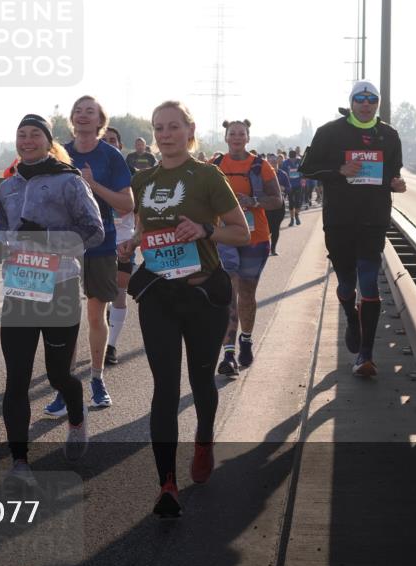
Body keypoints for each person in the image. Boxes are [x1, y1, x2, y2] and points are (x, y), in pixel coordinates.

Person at [119, 100, 249, 517]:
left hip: (202, 296)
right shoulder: (142, 179)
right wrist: (133, 243)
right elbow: (145, 229)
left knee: (200, 380)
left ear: (189, 130)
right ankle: (167, 484)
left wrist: (206, 229)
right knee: (164, 389)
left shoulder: (207, 175)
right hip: (159, 294)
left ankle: (205, 437)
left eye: (173, 127)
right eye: (159, 127)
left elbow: (241, 233)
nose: (164, 134)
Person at [0, 114, 104, 484]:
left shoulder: (69, 181)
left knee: (58, 374)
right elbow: (1, 231)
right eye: (21, 134)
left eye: (34, 134)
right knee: (16, 379)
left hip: (60, 287)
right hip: (20, 288)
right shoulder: (7, 187)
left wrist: (49, 238)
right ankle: (20, 463)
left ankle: (76, 411)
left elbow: (95, 231)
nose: (27, 140)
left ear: (48, 141)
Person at [301, 80, 406, 377]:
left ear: (377, 103)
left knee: (370, 282)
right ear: (351, 101)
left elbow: (393, 175)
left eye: (371, 99)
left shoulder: (389, 135)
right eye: (360, 98)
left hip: (374, 219)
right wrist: (338, 171)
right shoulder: (329, 132)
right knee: (347, 283)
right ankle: (351, 315)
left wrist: (397, 184)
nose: (366, 103)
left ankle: (365, 356)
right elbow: (306, 169)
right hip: (339, 221)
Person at [44, 96, 133, 417]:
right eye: (78, 112)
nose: (83, 116)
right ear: (71, 119)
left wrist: (92, 184)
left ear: (100, 121)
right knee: (64, 321)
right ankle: (65, 389)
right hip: (64, 248)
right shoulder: (57, 153)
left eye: (89, 112)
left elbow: (127, 204)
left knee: (96, 316)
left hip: (101, 245)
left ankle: (96, 379)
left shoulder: (111, 156)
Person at [211, 120, 283, 375]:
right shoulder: (215, 165)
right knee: (229, 291)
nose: (237, 137)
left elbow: (277, 200)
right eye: (233, 134)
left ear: (248, 137)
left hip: (256, 237)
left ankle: (247, 339)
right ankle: (228, 354)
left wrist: (252, 200)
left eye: (242, 134)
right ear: (226, 137)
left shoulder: (260, 166)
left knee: (247, 293)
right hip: (226, 237)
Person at [102, 127, 134, 365]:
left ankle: (111, 346)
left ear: (120, 145)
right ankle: (103, 335)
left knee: (120, 293)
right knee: (99, 297)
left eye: (113, 140)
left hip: (124, 242)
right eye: (104, 140)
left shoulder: (132, 174)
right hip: (97, 244)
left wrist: (136, 240)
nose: (109, 144)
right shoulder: (89, 173)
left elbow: (132, 209)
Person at [265, 153, 289, 255]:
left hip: (279, 205)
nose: (273, 164)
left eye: (275, 162)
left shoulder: (282, 174)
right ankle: (265, 248)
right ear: (267, 163)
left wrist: (284, 188)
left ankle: (273, 248)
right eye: (271, 162)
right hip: (266, 205)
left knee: (275, 228)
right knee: (267, 228)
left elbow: (289, 187)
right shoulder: (262, 175)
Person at [281, 149, 304, 226]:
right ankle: (292, 219)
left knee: (298, 202)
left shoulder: (299, 161)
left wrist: (303, 182)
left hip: (299, 185)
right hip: (289, 186)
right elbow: (283, 174)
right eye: (291, 159)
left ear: (296, 157)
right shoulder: (285, 163)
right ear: (289, 158)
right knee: (291, 203)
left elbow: (304, 172)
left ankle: (297, 215)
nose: (292, 160)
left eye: (294, 159)